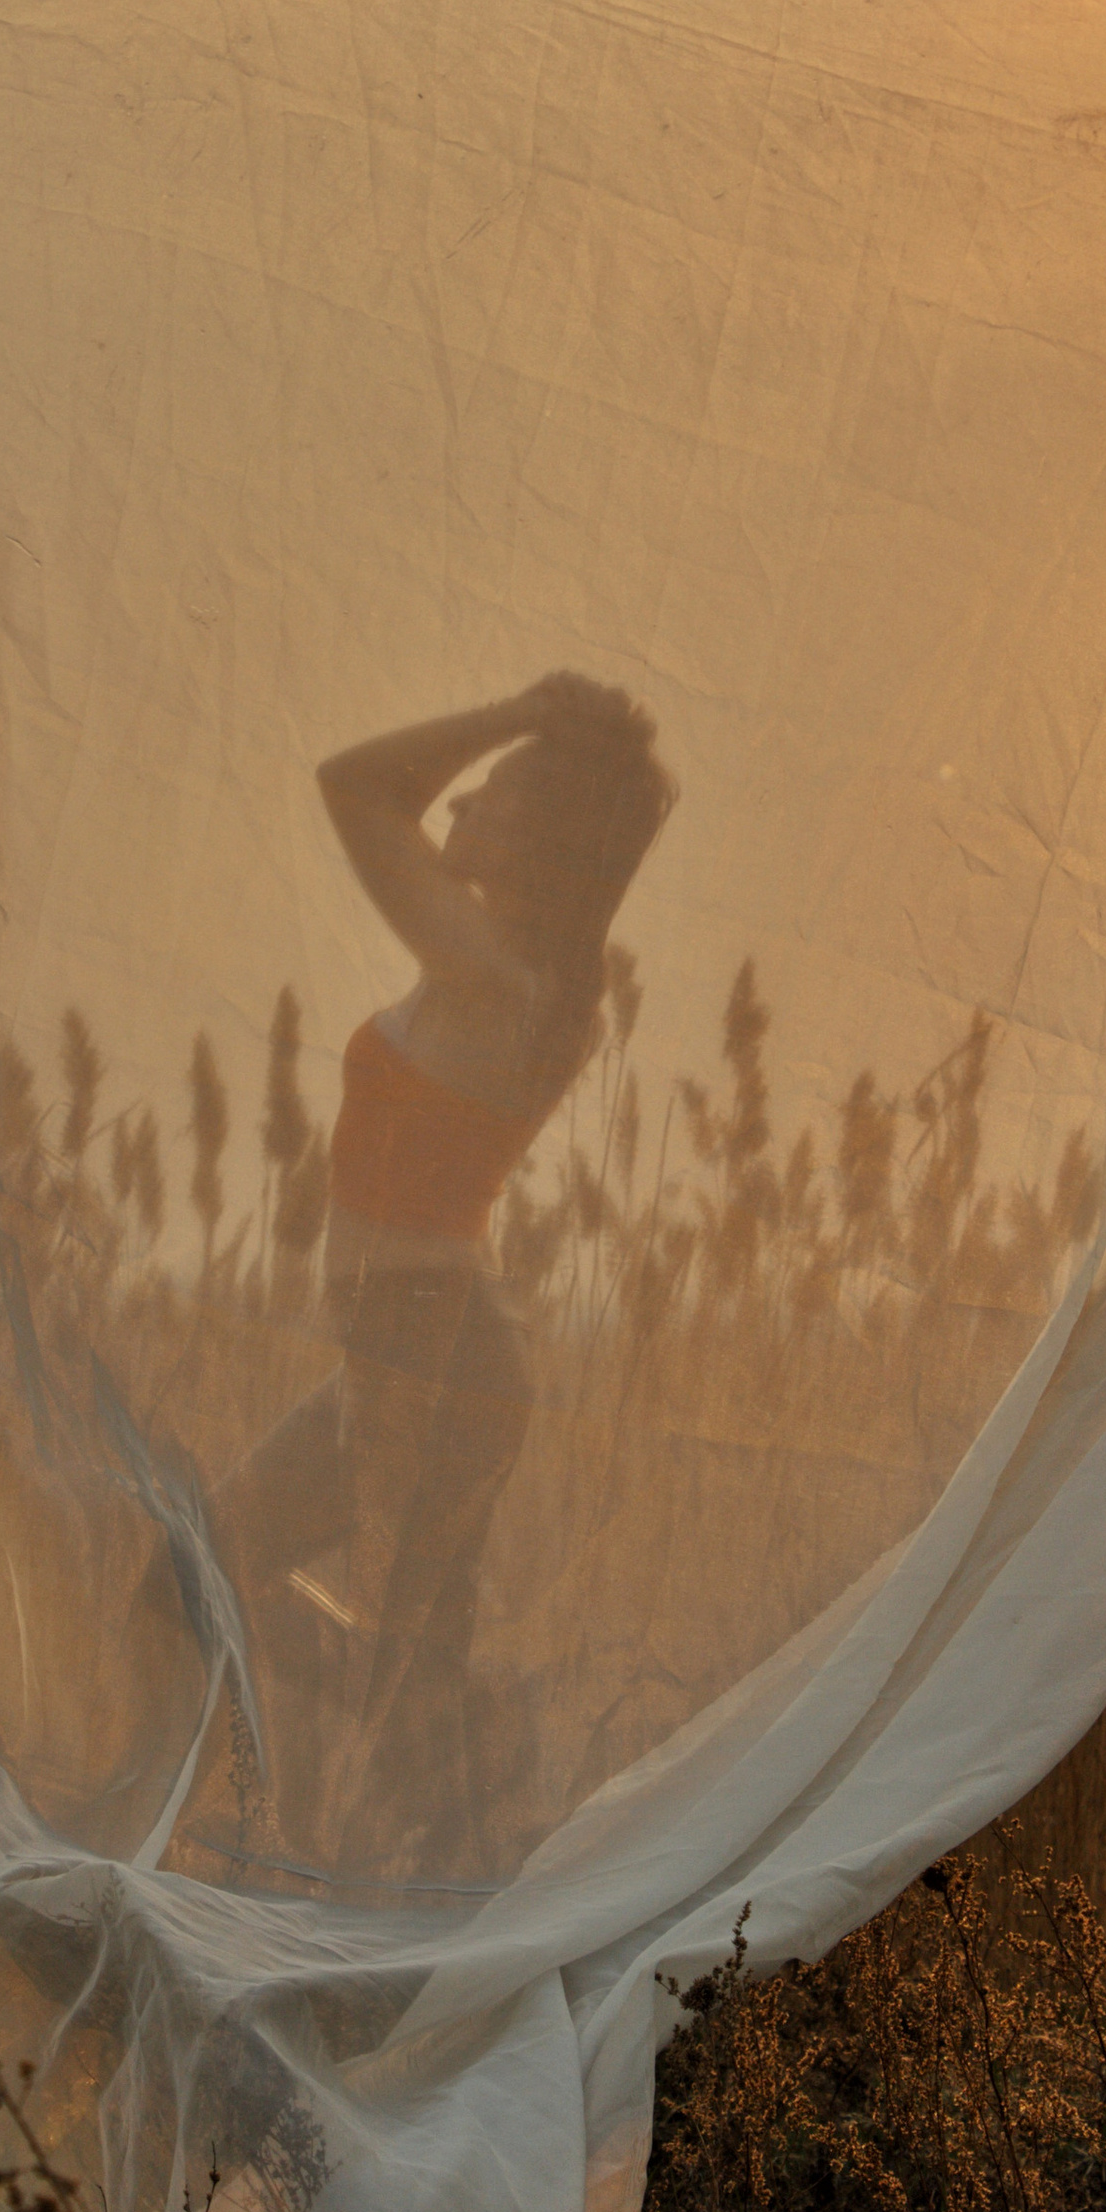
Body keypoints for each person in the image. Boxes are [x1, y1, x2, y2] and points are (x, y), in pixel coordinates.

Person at [206, 676, 674, 1874]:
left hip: (433, 1345)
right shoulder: (505, 976)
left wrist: (515, 710)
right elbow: (377, 794)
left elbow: (354, 785)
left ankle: (471, 1811)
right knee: (227, 1566)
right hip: (421, 1345)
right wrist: (522, 736)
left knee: (263, 1595)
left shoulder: (495, 980)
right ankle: (475, 1735)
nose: (459, 801)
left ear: (544, 838)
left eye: (494, 798)